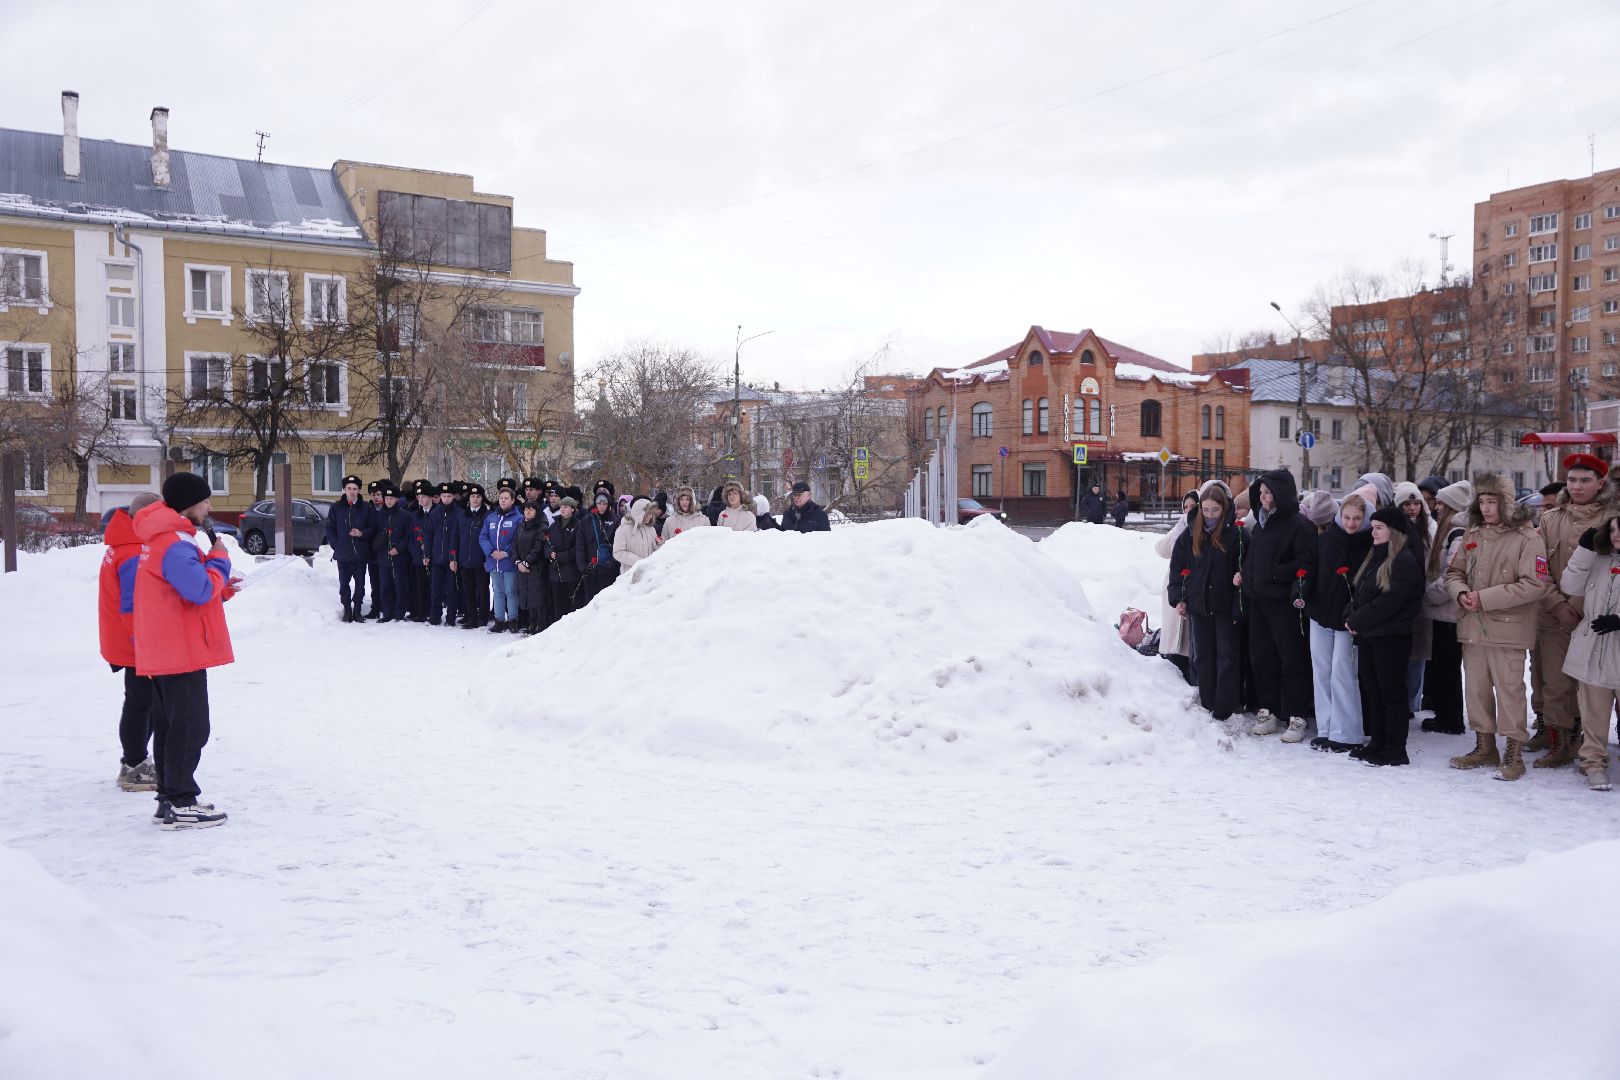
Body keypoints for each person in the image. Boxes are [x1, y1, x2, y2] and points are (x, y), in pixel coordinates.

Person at [132, 472, 239, 829]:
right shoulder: (175, 542)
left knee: (170, 726)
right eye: (205, 500)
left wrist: (221, 584)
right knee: (191, 727)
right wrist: (219, 561)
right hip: (180, 650)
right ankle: (181, 801)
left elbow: (183, 588)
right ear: (190, 504)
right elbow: (198, 589)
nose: (209, 507)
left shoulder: (163, 538)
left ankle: (169, 798)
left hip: (168, 647)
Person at [1444, 474, 1551, 781]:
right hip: (1473, 628)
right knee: (1476, 690)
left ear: (1506, 504)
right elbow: (1454, 573)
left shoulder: (1528, 538)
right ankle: (1484, 747)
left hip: (1509, 630)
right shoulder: (1473, 533)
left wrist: (1485, 598)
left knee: (1510, 692)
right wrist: (1460, 593)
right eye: (1482, 501)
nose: (1486, 508)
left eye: (1492, 502)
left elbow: (1535, 584)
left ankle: (1513, 754)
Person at [1527, 452, 1612, 770]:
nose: (1577, 486)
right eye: (1573, 480)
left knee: (1595, 685)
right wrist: (1557, 604)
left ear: (1600, 483)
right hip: (1554, 615)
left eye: (1585, 480)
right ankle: (1559, 742)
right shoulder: (1551, 518)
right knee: (1554, 682)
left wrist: (1578, 606)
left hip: (1597, 617)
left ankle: (1589, 742)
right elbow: (1539, 568)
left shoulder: (1612, 518)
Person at [1238, 469, 1316, 741]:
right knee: (1262, 658)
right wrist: (1246, 576)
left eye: (1268, 492)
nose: (1263, 497)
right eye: (1260, 492)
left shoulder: (1299, 525)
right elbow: (1254, 559)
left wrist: (1273, 573)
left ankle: (1297, 715)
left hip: (1284, 603)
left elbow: (1306, 564)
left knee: (1291, 658)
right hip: (1258, 601)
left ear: (1282, 494)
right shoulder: (1261, 524)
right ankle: (1268, 710)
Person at [1346, 506, 1426, 767]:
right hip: (1371, 635)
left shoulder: (1405, 561)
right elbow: (1361, 593)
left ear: (1394, 531)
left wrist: (1358, 619)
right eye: (1373, 527)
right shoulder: (1376, 556)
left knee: (1391, 693)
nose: (1373, 532)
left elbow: (1389, 602)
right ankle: (1377, 743)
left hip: (1391, 637)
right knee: (1374, 691)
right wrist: (1350, 615)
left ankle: (1395, 748)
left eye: (1379, 528)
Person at [100, 491, 162, 792]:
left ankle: (135, 762)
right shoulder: (133, 552)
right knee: (140, 703)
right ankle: (134, 766)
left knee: (143, 701)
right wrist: (143, 646)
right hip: (135, 643)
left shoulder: (125, 544)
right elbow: (132, 606)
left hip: (127, 639)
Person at [1170, 483, 1243, 722]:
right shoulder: (1191, 533)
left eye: (1215, 510)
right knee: (1202, 655)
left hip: (1225, 605)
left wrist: (1239, 590)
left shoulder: (1235, 535)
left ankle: (1224, 704)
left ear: (1224, 509)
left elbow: (1244, 566)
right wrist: (1179, 598)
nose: (1210, 515)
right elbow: (1178, 568)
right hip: (1199, 604)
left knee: (1226, 655)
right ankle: (1208, 700)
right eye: (1206, 510)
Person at [1301, 493, 1368, 753]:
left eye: (1357, 518)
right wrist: (1302, 588)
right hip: (1320, 614)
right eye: (1347, 517)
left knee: (1343, 672)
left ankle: (1347, 732)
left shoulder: (1368, 545)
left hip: (1347, 620)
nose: (1351, 523)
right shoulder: (1325, 540)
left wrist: (1356, 611)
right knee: (1321, 671)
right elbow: (1309, 568)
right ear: (1339, 516)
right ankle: (1326, 728)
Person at [1559, 516, 1620, 791]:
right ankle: (1593, 764)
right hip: (1594, 649)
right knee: (1593, 715)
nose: (1617, 534)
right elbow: (1570, 586)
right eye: (1613, 529)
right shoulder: (1597, 560)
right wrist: (1584, 551)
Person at [1421, 481, 1473, 734]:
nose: (1437, 507)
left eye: (1441, 503)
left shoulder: (1458, 533)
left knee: (1448, 668)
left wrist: (1428, 595)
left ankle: (1450, 719)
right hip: (1443, 612)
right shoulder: (1451, 529)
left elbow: (1452, 574)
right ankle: (1444, 714)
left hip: (1449, 613)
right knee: (1443, 666)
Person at [1394, 481, 1435, 715]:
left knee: (1419, 653)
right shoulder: (1394, 529)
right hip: (1401, 597)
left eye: (1416, 503)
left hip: (1423, 595)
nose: (1412, 508)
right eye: (1406, 504)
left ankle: (1412, 703)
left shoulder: (1430, 528)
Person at [1154, 491, 1199, 684]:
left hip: (1190, 588)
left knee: (1190, 645)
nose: (1188, 511)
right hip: (1174, 589)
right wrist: (1179, 526)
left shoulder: (1202, 530)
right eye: (1185, 507)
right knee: (1175, 647)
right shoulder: (1180, 529)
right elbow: (1160, 549)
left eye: (1193, 507)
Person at [325, 474, 376, 623]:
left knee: (360, 584)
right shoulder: (336, 507)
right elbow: (330, 528)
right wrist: (336, 544)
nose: (352, 492)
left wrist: (362, 533)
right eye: (349, 488)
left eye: (355, 489)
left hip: (360, 554)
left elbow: (373, 528)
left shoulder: (366, 507)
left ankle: (357, 610)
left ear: (359, 490)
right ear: (344, 489)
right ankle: (347, 610)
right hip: (343, 554)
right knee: (344, 584)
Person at [480, 486, 525, 632]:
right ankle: (499, 620)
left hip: (509, 562)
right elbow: (483, 536)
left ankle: (512, 620)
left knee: (511, 591)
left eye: (506, 498)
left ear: (512, 500)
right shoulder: (491, 518)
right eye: (501, 498)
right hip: (494, 561)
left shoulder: (518, 518)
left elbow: (518, 539)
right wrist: (491, 551)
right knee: (497, 591)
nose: (503, 501)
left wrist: (506, 552)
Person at [371, 484, 412, 623]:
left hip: (399, 557)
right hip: (383, 557)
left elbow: (408, 536)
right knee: (385, 586)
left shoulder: (405, 515)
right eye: (387, 498)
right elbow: (375, 533)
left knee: (400, 586)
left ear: (397, 499)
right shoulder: (379, 515)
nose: (389, 501)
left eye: (391, 498)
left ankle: (399, 613)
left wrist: (399, 548)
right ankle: (387, 612)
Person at [424, 482, 463, 627]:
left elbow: (459, 537)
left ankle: (451, 617)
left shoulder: (459, 513)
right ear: (440, 497)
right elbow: (428, 535)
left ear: (454, 497)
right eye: (444, 496)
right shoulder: (434, 513)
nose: (446, 499)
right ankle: (435, 616)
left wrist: (454, 557)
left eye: (449, 496)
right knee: (435, 588)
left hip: (451, 559)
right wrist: (427, 554)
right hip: (436, 559)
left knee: (451, 589)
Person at [513, 500, 550, 634]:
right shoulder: (520, 526)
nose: (528, 512)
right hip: (522, 567)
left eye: (531, 510)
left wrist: (526, 563)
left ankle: (541, 624)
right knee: (527, 596)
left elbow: (537, 548)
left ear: (536, 512)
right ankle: (531, 623)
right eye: (526, 509)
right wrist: (518, 562)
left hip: (536, 567)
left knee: (538, 597)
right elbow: (514, 545)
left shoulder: (542, 527)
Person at [546, 496, 586, 619]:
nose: (562, 509)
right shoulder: (553, 526)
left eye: (566, 507)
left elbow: (578, 548)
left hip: (572, 572)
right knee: (558, 606)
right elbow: (546, 544)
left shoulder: (579, 525)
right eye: (561, 507)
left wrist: (561, 556)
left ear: (572, 509)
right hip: (555, 573)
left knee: (573, 606)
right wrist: (549, 553)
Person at [459, 483, 492, 629]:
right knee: (468, 590)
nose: (475, 499)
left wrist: (488, 558)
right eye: (472, 496)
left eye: (478, 496)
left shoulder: (488, 515)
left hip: (481, 560)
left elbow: (490, 538)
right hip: (465, 559)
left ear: (482, 498)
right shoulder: (462, 515)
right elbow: (456, 536)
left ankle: (483, 617)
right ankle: (471, 617)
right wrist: (454, 557)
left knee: (483, 589)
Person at [580, 489, 620, 604]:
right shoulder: (587, 520)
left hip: (608, 569)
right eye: (599, 503)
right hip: (590, 569)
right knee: (591, 602)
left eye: (604, 503)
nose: (601, 506)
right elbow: (580, 544)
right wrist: (583, 566)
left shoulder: (615, 520)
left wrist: (612, 564)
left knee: (606, 602)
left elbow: (617, 544)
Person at [613, 497, 662, 571]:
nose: (651, 516)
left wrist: (659, 545)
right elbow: (618, 552)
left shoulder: (651, 530)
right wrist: (639, 562)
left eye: (652, 514)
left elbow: (655, 551)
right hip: (630, 574)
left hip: (648, 573)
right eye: (648, 513)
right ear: (640, 513)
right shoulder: (623, 530)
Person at [363, 480, 387, 620]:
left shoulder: (388, 508)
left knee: (386, 581)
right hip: (372, 551)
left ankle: (387, 606)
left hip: (386, 551)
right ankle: (376, 607)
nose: (376, 497)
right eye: (373, 495)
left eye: (378, 494)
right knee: (374, 581)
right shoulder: (367, 509)